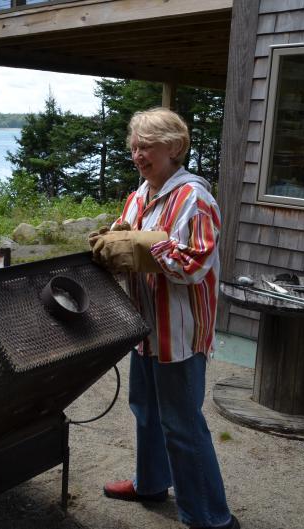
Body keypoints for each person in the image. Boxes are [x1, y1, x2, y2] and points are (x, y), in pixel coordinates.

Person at [89, 107, 238, 529]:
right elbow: (123, 235)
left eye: (147, 146)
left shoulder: (196, 198)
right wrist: (114, 240)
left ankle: (211, 516)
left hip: (180, 332)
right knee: (146, 411)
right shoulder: (141, 194)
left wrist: (145, 245)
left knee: (183, 424)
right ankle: (151, 483)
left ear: (174, 147)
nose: (137, 154)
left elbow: (194, 266)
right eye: (134, 146)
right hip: (144, 328)